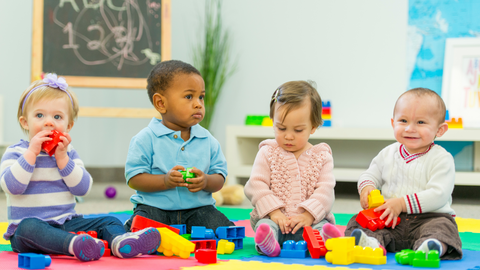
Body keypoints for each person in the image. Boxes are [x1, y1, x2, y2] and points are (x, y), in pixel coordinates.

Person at [1, 73, 160, 262]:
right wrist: (31, 154)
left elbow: (82, 188)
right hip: (28, 231)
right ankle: (74, 244)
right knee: (28, 228)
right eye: (39, 115)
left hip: (66, 223)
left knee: (109, 221)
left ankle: (120, 242)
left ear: (68, 126)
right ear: (25, 122)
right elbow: (12, 187)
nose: (48, 122)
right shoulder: (17, 152)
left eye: (57, 116)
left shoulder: (67, 153)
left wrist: (62, 159)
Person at [344, 87, 462, 260]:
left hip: (429, 218)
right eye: (403, 121)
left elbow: (439, 194)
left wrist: (401, 203)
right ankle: (371, 244)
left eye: (421, 122)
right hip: (389, 218)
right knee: (357, 221)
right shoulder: (387, 153)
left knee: (444, 227)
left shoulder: (442, 158)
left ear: (440, 130)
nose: (410, 128)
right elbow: (370, 174)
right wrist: (367, 187)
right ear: (393, 123)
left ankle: (432, 246)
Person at [123, 60, 234, 233]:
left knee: (224, 231)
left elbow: (219, 178)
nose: (198, 103)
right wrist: (165, 181)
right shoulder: (145, 138)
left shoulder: (208, 140)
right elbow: (134, 178)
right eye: (189, 96)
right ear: (161, 103)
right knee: (142, 229)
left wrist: (205, 181)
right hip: (155, 208)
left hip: (198, 209)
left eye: (201, 97)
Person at [244, 81, 341, 257]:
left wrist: (309, 216)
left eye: (298, 130)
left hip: (309, 222)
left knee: (321, 226)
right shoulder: (267, 152)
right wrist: (274, 213)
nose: (288, 136)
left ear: (313, 127)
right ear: (273, 121)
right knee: (265, 226)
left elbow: (326, 190)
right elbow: (256, 185)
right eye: (281, 128)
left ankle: (324, 240)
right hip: (274, 219)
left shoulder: (322, 156)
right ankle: (268, 243)